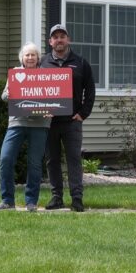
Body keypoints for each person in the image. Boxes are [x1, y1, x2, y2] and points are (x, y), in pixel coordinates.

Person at [42, 23, 95, 212]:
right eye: (55, 37)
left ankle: (77, 198)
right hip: (49, 122)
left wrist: (83, 114)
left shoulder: (81, 63)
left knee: (74, 159)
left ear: (68, 39)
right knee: (52, 160)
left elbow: (90, 91)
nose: (59, 40)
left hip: (72, 121)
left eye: (62, 36)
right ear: (50, 42)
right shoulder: (43, 63)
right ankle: (56, 198)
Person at [0, 42, 51, 212]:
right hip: (17, 122)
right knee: (5, 159)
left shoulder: (45, 76)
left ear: (38, 58)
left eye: (33, 55)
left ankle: (31, 202)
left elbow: (55, 95)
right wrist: (8, 94)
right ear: (22, 58)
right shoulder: (16, 74)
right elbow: (4, 96)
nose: (30, 58)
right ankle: (7, 201)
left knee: (34, 163)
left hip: (40, 124)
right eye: (27, 55)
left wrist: (53, 109)